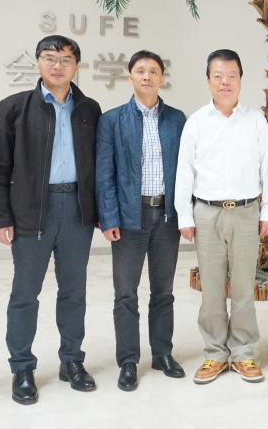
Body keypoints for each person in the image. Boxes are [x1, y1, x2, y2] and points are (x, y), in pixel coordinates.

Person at [0, 35, 102, 404]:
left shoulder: (89, 108)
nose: (57, 65)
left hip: (77, 210)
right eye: (50, 58)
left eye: (66, 59)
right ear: (38, 62)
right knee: (25, 293)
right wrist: (0, 217)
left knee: (74, 292)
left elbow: (98, 165)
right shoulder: (15, 107)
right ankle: (22, 367)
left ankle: (72, 360)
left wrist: (99, 211)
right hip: (31, 211)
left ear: (76, 65)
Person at [175, 49, 268, 384]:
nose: (225, 82)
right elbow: (184, 172)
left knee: (245, 288)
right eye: (218, 76)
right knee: (212, 290)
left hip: (247, 213)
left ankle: (243, 353)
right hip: (206, 213)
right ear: (208, 80)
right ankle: (215, 354)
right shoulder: (196, 122)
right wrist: (184, 215)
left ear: (240, 80)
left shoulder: (255, 120)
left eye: (231, 76)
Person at [96, 50, 187, 391]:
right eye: (140, 70)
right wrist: (109, 217)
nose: (147, 76)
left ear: (162, 78)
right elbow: (104, 174)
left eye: (153, 71)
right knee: (126, 293)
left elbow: (187, 171)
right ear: (130, 77)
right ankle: (128, 361)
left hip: (166, 216)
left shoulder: (177, 119)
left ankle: (163, 354)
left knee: (164, 291)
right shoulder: (112, 120)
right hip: (128, 218)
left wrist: (185, 214)